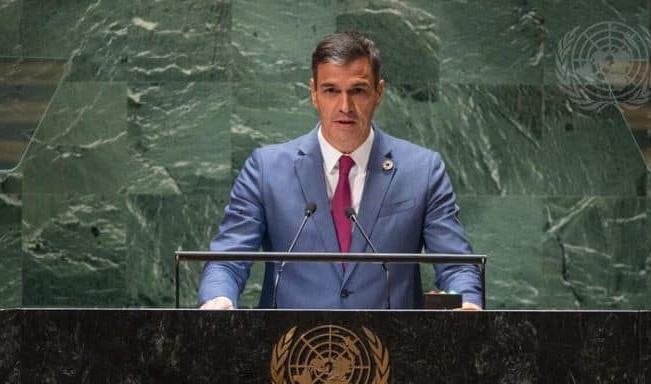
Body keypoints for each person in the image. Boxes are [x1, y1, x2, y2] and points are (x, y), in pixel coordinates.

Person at [199, 31, 482, 310]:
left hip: (393, 350)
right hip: (291, 351)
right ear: (313, 93)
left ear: (378, 93)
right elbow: (228, 259)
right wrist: (218, 300)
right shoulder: (265, 170)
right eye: (331, 90)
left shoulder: (422, 171)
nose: (344, 106)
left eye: (357, 91)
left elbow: (456, 265)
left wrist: (467, 303)